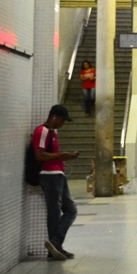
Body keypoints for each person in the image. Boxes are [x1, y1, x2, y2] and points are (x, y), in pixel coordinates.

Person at [33, 105, 79, 260]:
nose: (63, 124)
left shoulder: (52, 133)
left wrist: (66, 156)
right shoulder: (43, 131)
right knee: (54, 211)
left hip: (58, 175)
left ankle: (56, 243)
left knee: (70, 210)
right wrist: (61, 155)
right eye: (62, 120)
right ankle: (55, 246)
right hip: (49, 175)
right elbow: (39, 156)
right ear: (53, 117)